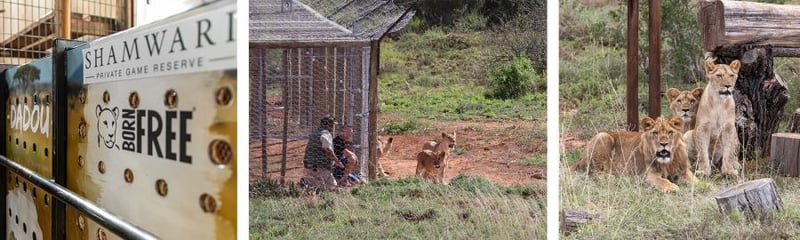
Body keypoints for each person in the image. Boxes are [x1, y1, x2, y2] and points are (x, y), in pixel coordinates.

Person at [300, 115, 343, 191]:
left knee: (323, 184)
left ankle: (309, 184)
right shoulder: (325, 134)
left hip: (310, 165)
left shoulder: (315, 132)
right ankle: (307, 181)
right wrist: (337, 161)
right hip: (319, 167)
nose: (333, 127)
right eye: (332, 125)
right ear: (328, 125)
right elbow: (328, 150)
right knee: (332, 186)